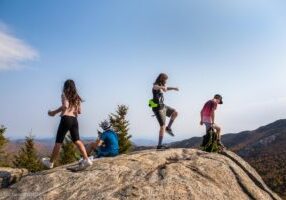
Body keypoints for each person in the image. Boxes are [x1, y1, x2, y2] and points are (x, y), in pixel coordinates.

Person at [41, 79, 92, 170]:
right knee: (77, 140)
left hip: (66, 119)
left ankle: (50, 163)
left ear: (65, 86)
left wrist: (53, 112)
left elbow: (65, 106)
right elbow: (79, 111)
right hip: (74, 120)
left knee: (58, 142)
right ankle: (86, 159)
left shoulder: (64, 94)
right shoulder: (77, 97)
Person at [150, 73, 179, 149]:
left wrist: (174, 88)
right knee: (162, 126)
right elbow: (155, 87)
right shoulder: (156, 85)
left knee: (175, 113)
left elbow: (166, 88)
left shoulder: (162, 86)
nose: (166, 81)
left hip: (163, 106)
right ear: (162, 79)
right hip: (157, 108)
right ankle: (159, 145)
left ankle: (168, 128)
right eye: (165, 80)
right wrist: (162, 87)